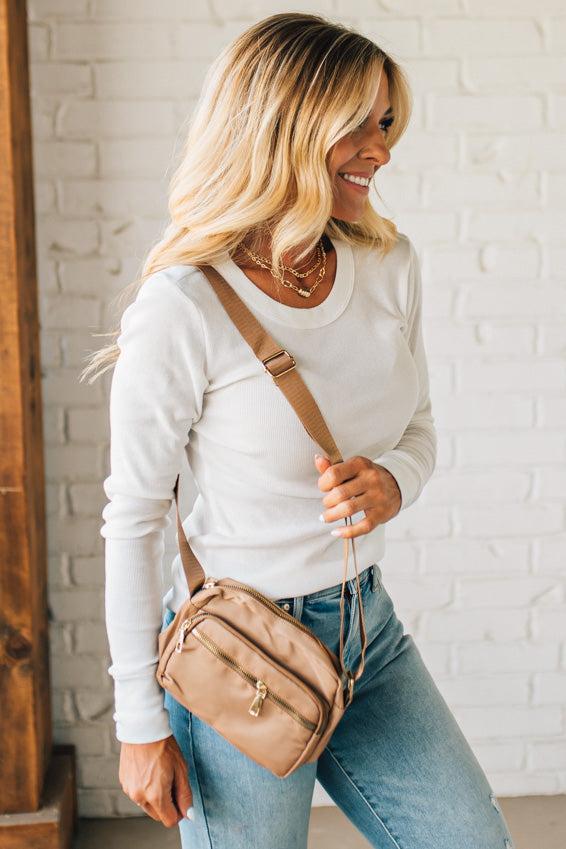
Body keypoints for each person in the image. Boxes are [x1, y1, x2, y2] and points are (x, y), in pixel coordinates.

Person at [81, 12, 517, 849]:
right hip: (238, 653)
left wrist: (395, 480)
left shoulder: (389, 264)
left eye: (385, 122)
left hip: (365, 632)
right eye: (356, 124)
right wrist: (140, 722)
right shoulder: (184, 306)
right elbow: (133, 518)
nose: (381, 149)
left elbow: (419, 426)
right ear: (283, 126)